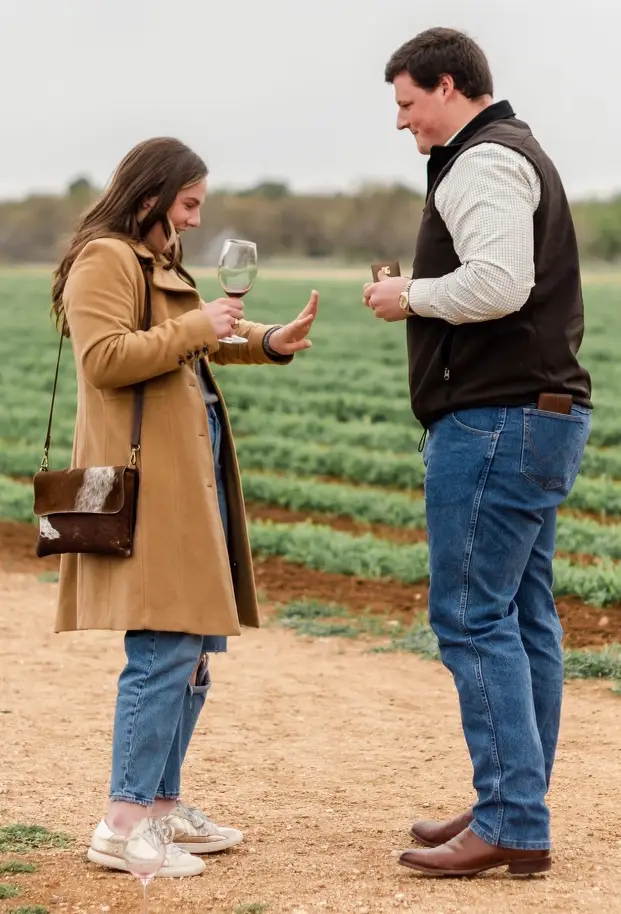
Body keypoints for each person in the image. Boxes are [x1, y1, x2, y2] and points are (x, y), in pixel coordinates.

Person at [51, 137, 319, 878]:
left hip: (188, 478)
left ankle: (163, 812)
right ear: (150, 196)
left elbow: (194, 341)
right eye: (189, 204)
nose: (197, 220)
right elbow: (105, 358)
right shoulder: (105, 258)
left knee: (194, 651)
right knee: (162, 650)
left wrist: (268, 340)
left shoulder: (157, 261)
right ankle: (122, 823)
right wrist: (198, 327)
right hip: (150, 486)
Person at [363, 28, 592, 877]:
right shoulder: (505, 151)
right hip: (535, 417)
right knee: (524, 619)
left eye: (406, 103)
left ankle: (510, 817)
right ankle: (513, 800)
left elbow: (499, 283)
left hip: (494, 423)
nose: (401, 122)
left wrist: (404, 296)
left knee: (471, 617)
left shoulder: (484, 161)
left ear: (449, 86)